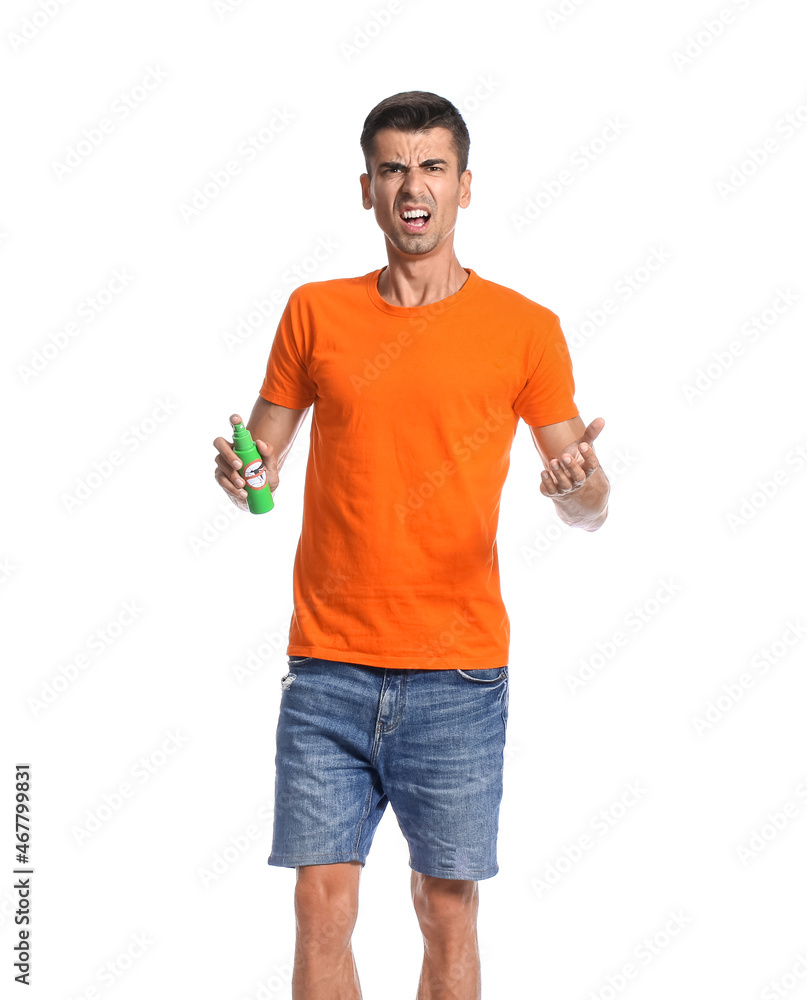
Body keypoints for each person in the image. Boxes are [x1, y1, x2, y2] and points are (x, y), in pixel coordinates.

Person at [213, 90, 610, 1000]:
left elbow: (584, 500)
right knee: (320, 907)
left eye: (431, 167)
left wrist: (576, 484)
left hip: (458, 671)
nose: (412, 186)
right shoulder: (314, 312)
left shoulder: (524, 327)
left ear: (465, 187)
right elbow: (262, 463)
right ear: (366, 189)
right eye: (392, 168)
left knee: (446, 908)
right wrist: (243, 477)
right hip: (327, 664)